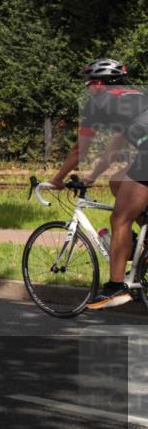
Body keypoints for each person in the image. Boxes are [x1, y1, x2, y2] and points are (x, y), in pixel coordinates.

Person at [50, 58, 148, 309]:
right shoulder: (135, 97)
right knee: (118, 181)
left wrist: (57, 179)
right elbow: (113, 150)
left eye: (89, 83)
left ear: (99, 83)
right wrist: (92, 177)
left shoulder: (99, 103)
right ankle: (140, 243)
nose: (88, 88)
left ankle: (115, 288)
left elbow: (78, 150)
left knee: (119, 219)